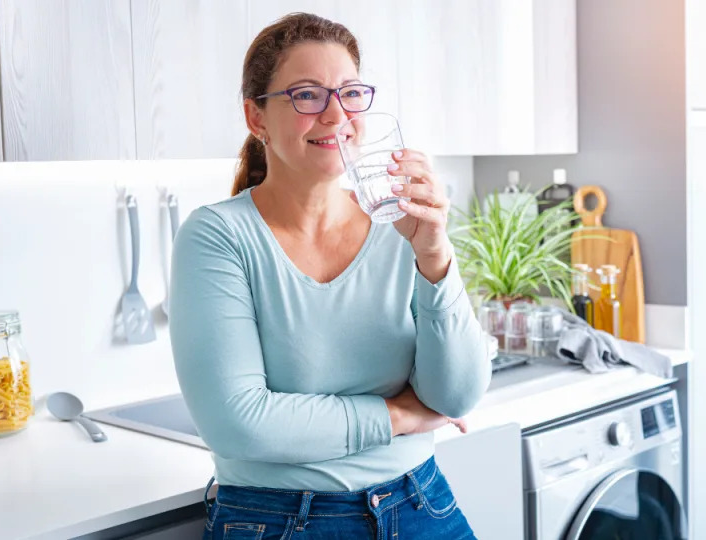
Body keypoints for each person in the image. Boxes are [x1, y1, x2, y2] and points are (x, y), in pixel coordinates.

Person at [170, 12, 490, 539]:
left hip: (419, 504)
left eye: (350, 93)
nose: (336, 115)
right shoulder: (218, 236)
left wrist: (433, 254)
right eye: (306, 95)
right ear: (257, 118)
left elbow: (456, 397)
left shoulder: (400, 226)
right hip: (276, 521)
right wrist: (402, 417)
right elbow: (240, 423)